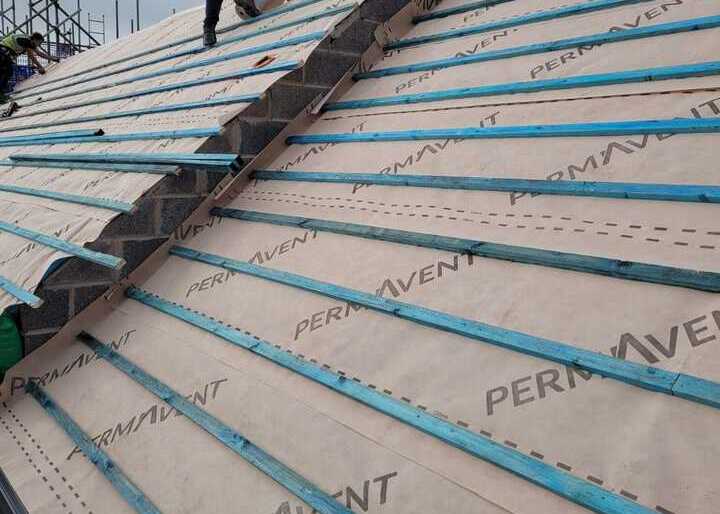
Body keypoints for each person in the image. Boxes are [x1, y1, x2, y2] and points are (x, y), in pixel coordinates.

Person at [0, 32, 59, 102]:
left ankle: (1, 94)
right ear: (35, 40)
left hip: (4, 53)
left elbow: (39, 53)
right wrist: (40, 67)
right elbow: (32, 56)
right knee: (7, 72)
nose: (39, 45)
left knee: (6, 72)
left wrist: (53, 58)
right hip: (2, 52)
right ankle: (1, 95)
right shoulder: (27, 41)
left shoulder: (28, 41)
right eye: (39, 43)